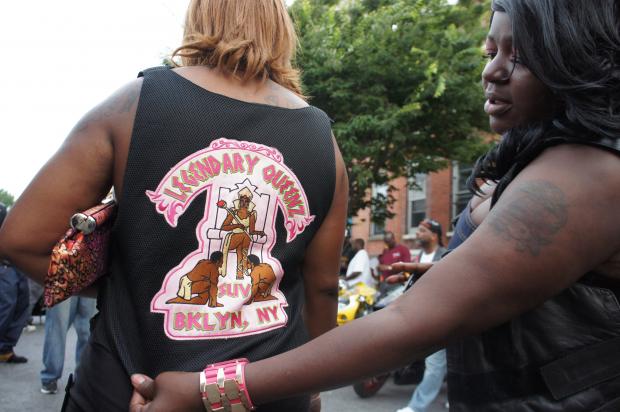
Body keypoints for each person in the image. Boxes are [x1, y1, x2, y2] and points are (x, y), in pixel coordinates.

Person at [126, 1, 620, 411]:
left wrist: (206, 390)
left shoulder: (589, 175)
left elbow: (411, 325)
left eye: (520, 57)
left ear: (574, 60)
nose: (492, 69)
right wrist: (458, 269)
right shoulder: (547, 159)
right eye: (492, 49)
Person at [0, 0, 347, 410]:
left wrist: (123, 288)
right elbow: (322, 285)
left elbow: (21, 240)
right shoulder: (324, 141)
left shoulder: (135, 104)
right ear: (282, 29)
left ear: (199, 19)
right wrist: (312, 383)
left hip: (130, 382)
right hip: (263, 392)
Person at [396, 219, 447, 412]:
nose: (417, 234)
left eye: (422, 230)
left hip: (439, 319)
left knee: (435, 365)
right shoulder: (418, 257)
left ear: (434, 235)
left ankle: (417, 407)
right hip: (418, 318)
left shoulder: (445, 256)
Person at [40, 296, 96, 394]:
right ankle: (50, 377)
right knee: (57, 326)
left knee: (88, 327)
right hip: (62, 281)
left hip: (90, 281)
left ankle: (83, 377)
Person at [0, 202, 29, 364]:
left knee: (22, 307)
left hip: (16, 264)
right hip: (3, 266)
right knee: (5, 307)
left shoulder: (7, 210)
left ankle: (5, 349)